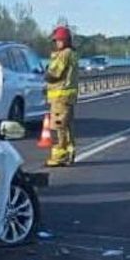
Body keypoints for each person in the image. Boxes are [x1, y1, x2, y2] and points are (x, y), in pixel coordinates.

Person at [44, 23, 79, 167]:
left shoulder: (64, 54)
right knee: (67, 127)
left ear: (65, 40)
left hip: (60, 97)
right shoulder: (72, 54)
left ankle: (59, 156)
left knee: (58, 127)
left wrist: (46, 73)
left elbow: (54, 73)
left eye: (58, 40)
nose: (57, 43)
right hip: (67, 97)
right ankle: (69, 153)